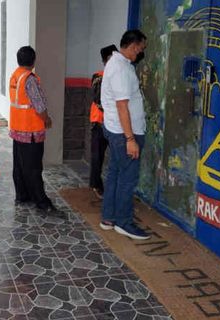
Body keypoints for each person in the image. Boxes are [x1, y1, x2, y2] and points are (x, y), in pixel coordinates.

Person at [99, 30, 150, 240]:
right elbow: (122, 106)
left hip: (117, 131)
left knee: (115, 174)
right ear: (133, 44)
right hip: (123, 134)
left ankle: (109, 218)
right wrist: (130, 139)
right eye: (141, 47)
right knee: (127, 179)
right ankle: (123, 222)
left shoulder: (118, 64)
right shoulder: (120, 68)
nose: (142, 51)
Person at [9, 46, 56, 212]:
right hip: (30, 132)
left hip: (18, 129)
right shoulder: (29, 79)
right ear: (33, 60)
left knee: (20, 165)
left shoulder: (16, 76)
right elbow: (39, 105)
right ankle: (41, 201)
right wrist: (47, 119)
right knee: (34, 167)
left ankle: (22, 195)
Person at [89, 44, 118, 199]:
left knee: (109, 156)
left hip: (112, 123)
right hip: (100, 122)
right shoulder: (99, 77)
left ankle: (107, 185)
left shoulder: (115, 76)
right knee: (97, 156)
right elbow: (99, 100)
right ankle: (96, 184)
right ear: (107, 60)